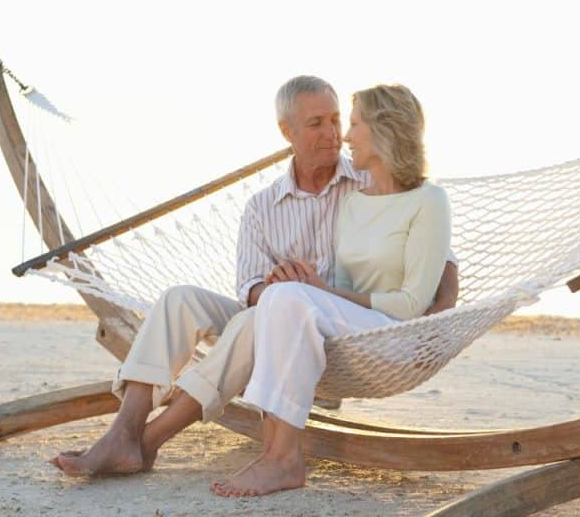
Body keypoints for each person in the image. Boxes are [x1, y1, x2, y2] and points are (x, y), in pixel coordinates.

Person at [51, 76, 458, 475]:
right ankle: (125, 430)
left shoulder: (369, 180)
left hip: (333, 328)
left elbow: (436, 256)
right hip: (277, 312)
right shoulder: (262, 208)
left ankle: (147, 441)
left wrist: (434, 323)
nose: (334, 134)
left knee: (257, 317)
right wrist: (275, 283)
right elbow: (248, 286)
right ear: (287, 131)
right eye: (317, 124)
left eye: (337, 120)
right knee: (181, 300)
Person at [212, 84, 451, 497]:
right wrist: (318, 288)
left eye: (352, 123)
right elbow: (338, 284)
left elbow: (413, 303)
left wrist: (322, 292)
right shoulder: (355, 202)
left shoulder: (429, 201)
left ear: (382, 131)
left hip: (397, 337)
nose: (344, 135)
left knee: (289, 295)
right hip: (352, 337)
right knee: (281, 294)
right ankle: (276, 453)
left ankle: (282, 458)